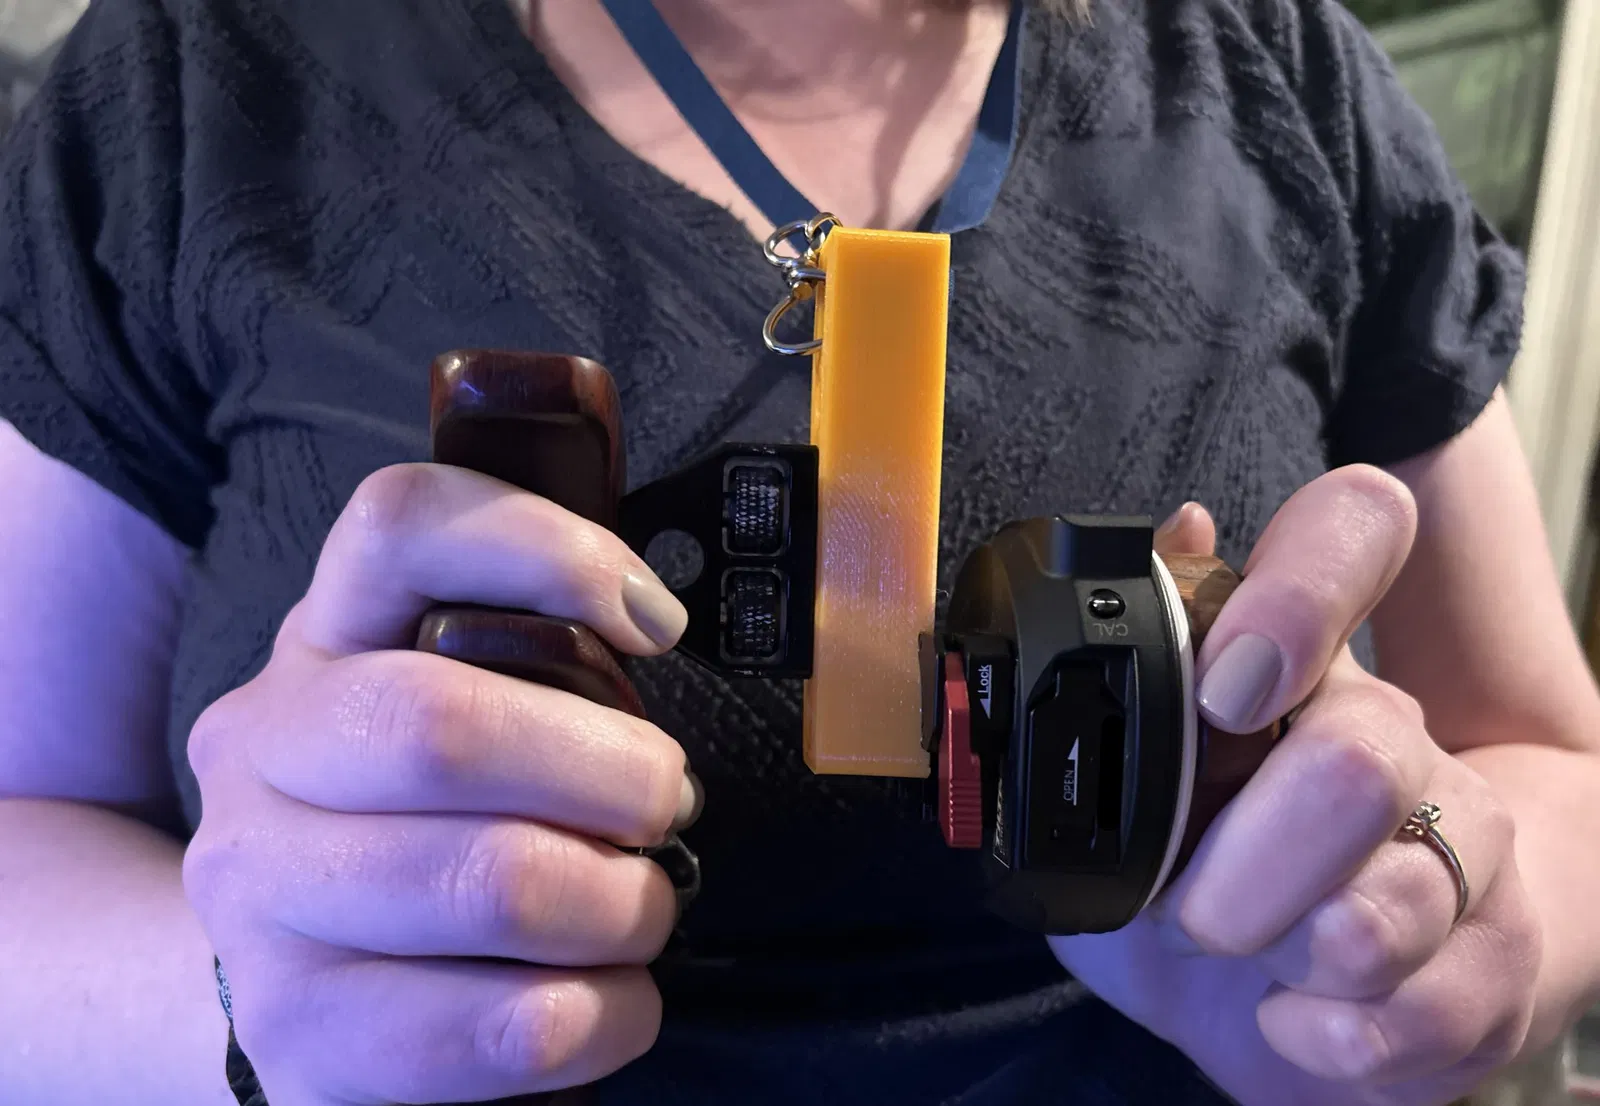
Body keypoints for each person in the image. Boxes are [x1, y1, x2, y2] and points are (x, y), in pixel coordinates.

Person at [0, 0, 1596, 1103]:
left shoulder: (1284, 70)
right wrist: (244, 1004)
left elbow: (1550, 754)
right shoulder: (200, 79)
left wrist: (1435, 940)